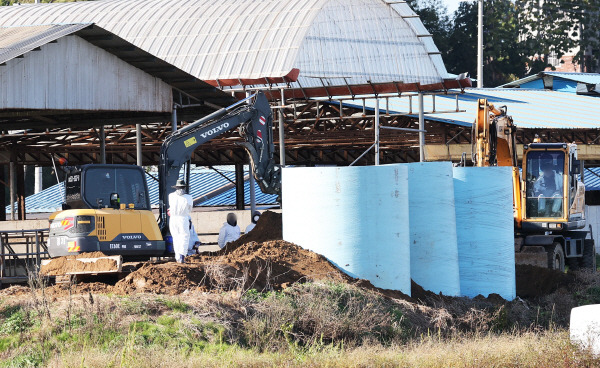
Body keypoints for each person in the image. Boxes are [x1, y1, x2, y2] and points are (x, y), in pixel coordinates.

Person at [168, 180, 193, 263]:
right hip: (182, 218)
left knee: (176, 237)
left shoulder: (171, 196)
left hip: (173, 218)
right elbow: (190, 209)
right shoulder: (188, 197)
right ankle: (182, 256)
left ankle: (178, 257)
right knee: (184, 236)